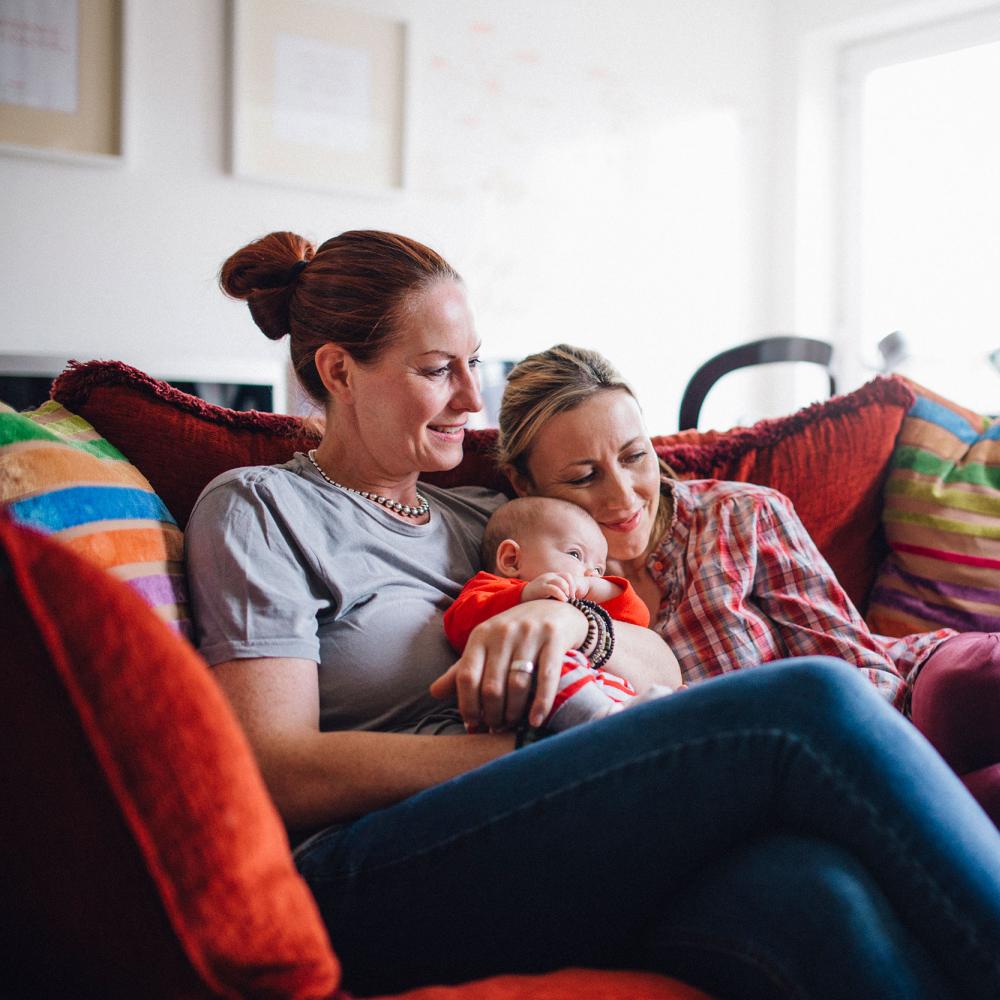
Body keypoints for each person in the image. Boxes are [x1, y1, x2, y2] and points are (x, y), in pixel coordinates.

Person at [184, 229, 1000, 1000]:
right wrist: (532, 757)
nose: (473, 397)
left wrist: (577, 627)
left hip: (541, 829)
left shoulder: (487, 518)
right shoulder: (262, 509)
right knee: (810, 703)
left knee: (817, 894)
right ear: (338, 370)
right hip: (368, 866)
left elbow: (663, 663)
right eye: (439, 370)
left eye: (473, 364)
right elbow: (272, 768)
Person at [490, 344, 1000, 829]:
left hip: (900, 701)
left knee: (967, 688)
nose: (624, 497)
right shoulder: (531, 577)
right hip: (786, 789)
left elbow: (864, 672)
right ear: (524, 484)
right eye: (583, 477)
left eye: (634, 457)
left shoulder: (740, 515)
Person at [444, 495, 677, 733]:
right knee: (548, 663)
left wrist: (602, 587)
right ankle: (607, 718)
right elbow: (459, 625)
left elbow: (638, 618)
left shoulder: (583, 600)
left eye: (599, 569)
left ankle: (642, 713)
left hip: (606, 696)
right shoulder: (490, 588)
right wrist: (524, 596)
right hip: (523, 698)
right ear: (511, 560)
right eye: (575, 555)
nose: (591, 573)